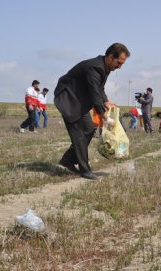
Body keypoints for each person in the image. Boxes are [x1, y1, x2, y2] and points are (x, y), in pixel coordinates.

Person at [54, 43, 130, 180]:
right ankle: (84, 170)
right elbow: (94, 92)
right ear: (110, 57)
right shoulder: (95, 67)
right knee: (78, 135)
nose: (119, 67)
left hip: (78, 102)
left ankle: (67, 161)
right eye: (118, 63)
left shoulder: (104, 68)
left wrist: (106, 101)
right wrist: (104, 115)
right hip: (68, 99)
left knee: (89, 129)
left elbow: (99, 89)